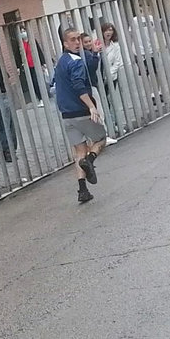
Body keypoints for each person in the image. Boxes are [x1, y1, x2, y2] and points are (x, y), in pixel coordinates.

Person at [53, 28, 107, 204]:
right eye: (73, 40)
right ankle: (90, 161)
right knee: (100, 139)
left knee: (79, 151)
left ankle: (82, 190)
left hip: (66, 114)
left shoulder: (60, 62)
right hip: (80, 111)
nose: (77, 42)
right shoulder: (76, 61)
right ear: (65, 43)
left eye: (78, 39)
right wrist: (91, 106)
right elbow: (79, 85)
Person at [79, 34, 119, 146]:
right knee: (98, 111)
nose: (88, 44)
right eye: (85, 42)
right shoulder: (87, 54)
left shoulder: (86, 53)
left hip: (90, 85)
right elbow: (92, 67)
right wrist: (95, 54)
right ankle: (102, 137)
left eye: (89, 41)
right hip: (90, 86)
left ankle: (95, 138)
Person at [99, 23, 128, 134]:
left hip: (111, 78)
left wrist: (109, 74)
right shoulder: (98, 45)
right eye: (106, 30)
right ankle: (107, 126)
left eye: (111, 30)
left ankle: (115, 124)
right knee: (103, 102)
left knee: (110, 101)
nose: (109, 32)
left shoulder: (115, 46)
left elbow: (117, 62)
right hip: (100, 78)